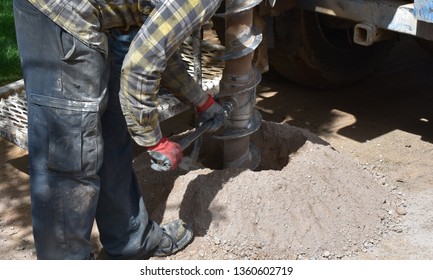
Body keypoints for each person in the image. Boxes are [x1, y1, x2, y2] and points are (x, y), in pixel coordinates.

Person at [13, 0, 225, 260]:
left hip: (98, 19)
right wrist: (154, 140)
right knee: (69, 154)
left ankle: (132, 242)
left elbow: (157, 48)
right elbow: (141, 65)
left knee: (112, 132)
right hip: (59, 13)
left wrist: (201, 100)